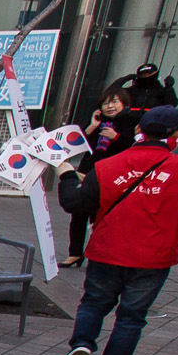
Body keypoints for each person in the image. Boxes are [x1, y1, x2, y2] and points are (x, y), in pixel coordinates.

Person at [52, 105, 178, 355]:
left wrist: (66, 175)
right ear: (177, 133)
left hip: (106, 250)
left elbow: (74, 204)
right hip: (153, 258)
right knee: (131, 317)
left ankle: (81, 344)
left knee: (93, 303)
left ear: (139, 129)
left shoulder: (107, 166)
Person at [64, 87, 140, 267]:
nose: (110, 106)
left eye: (114, 102)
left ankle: (97, 254)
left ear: (124, 104)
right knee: (78, 213)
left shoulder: (131, 123)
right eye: (106, 103)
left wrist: (117, 137)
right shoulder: (98, 122)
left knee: (99, 216)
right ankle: (75, 253)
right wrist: (91, 127)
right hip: (87, 172)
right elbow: (76, 144)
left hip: (111, 175)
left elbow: (135, 149)